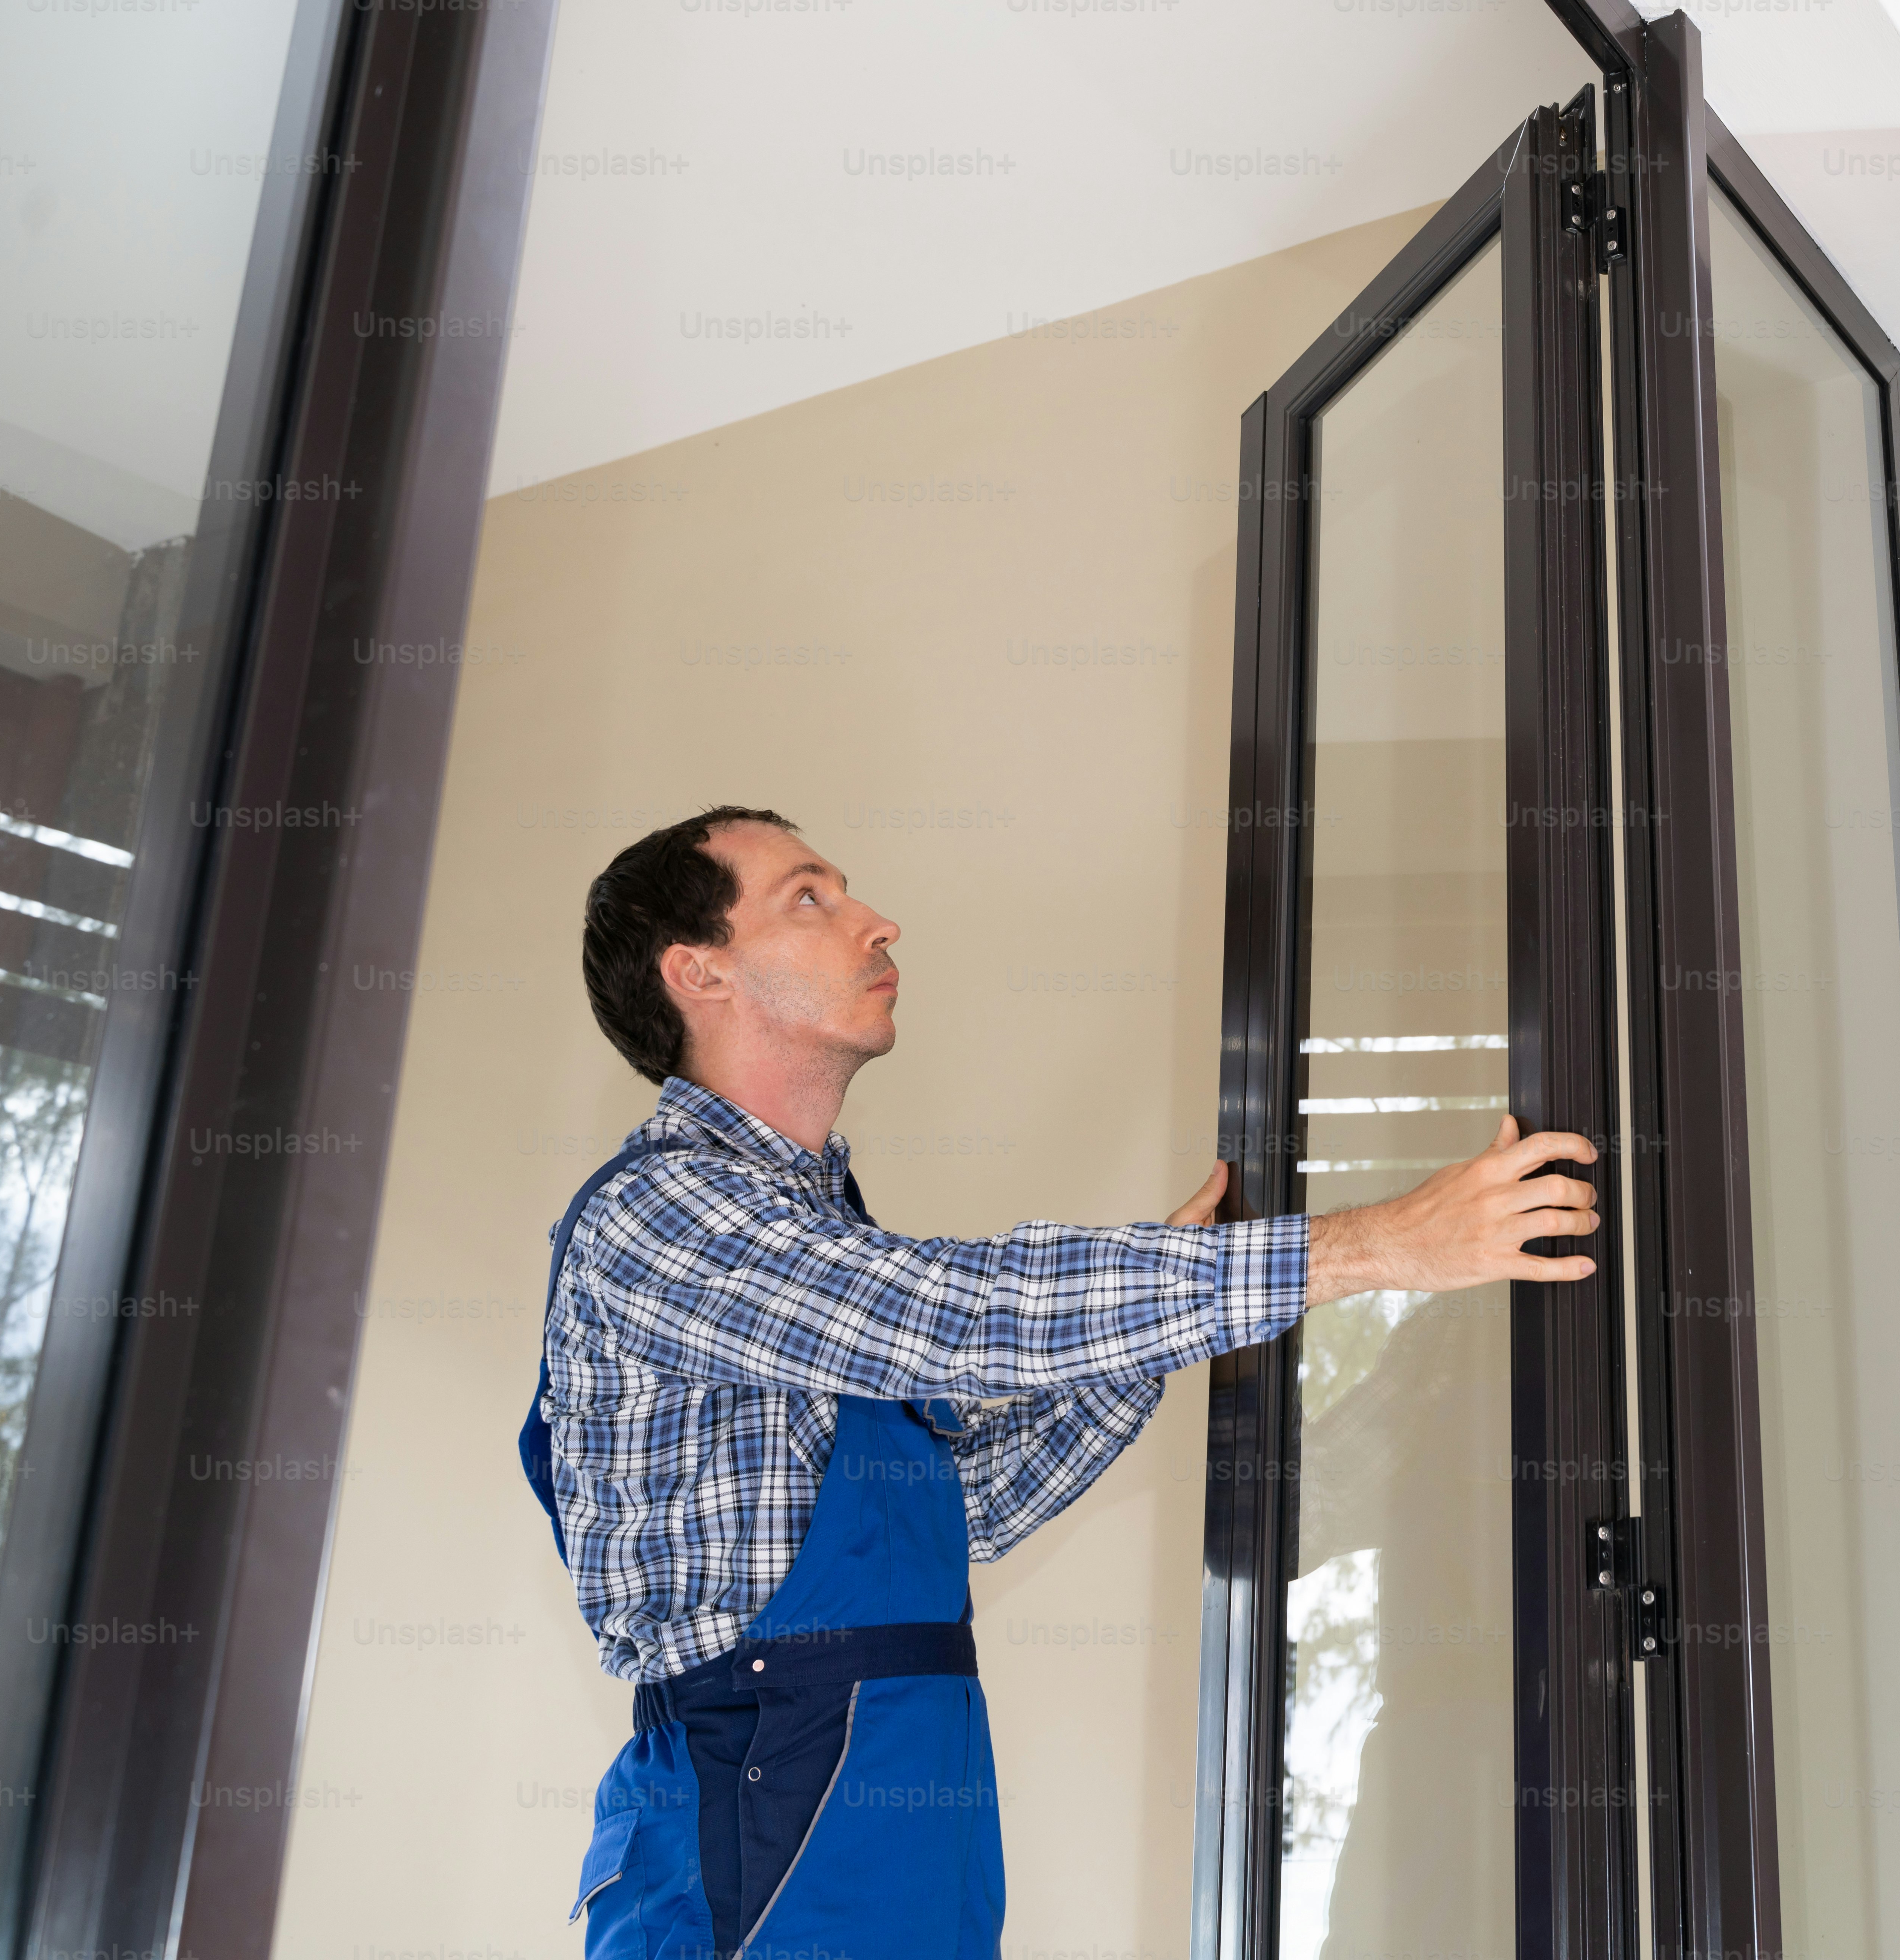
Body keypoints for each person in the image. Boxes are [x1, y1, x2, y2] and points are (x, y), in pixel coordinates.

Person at [523, 805, 1596, 1960]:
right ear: (699, 973)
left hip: (893, 1829)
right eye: (809, 898)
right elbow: (958, 1316)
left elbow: (961, 1507)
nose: (877, 923)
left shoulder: (811, 1237)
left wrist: (1153, 1338)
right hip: (754, 1828)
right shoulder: (664, 1216)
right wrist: (1381, 1245)